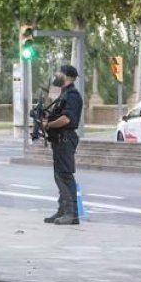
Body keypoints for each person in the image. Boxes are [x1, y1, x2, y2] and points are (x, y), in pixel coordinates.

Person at [41, 65, 84, 225]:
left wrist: (49, 125)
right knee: (59, 175)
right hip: (59, 139)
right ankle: (62, 210)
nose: (56, 75)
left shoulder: (72, 95)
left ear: (65, 75)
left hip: (65, 139)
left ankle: (72, 214)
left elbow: (67, 119)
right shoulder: (64, 94)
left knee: (65, 175)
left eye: (58, 72)